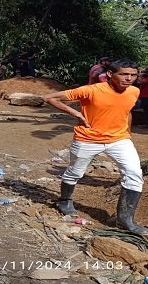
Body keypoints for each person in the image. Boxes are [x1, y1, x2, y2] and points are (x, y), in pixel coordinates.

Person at [42, 59, 146, 235]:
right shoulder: (91, 90)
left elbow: (127, 111)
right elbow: (49, 97)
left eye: (133, 75)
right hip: (88, 139)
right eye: (124, 74)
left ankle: (125, 219)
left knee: (134, 174)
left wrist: (127, 133)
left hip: (119, 140)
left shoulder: (134, 91)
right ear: (111, 75)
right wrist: (75, 113)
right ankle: (65, 200)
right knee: (75, 172)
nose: (129, 78)